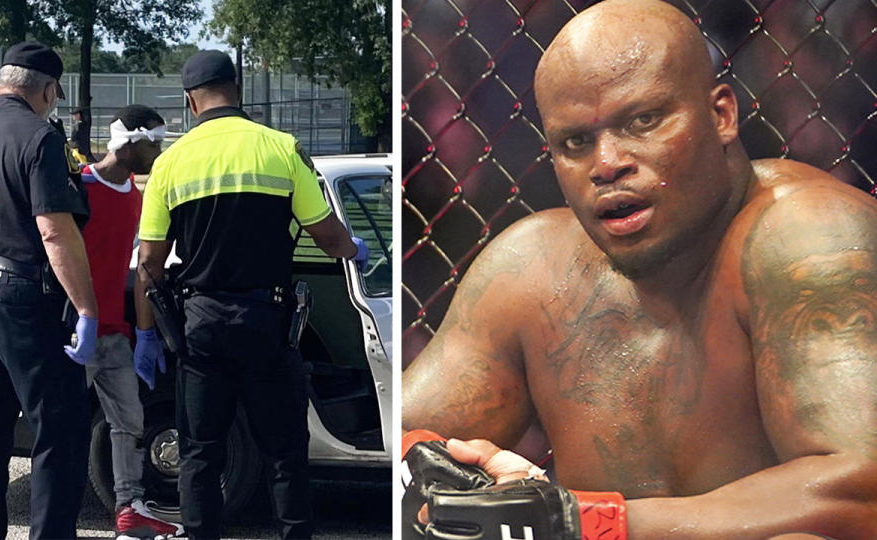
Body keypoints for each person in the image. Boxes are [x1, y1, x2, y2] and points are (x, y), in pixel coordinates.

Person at [401, 1, 877, 539]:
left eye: (643, 121)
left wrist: (580, 522)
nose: (607, 165)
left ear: (722, 115)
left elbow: (863, 492)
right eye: (576, 142)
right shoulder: (532, 271)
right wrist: (446, 479)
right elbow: (399, 438)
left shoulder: (807, 237)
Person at [132, 50, 370, 540]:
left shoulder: (171, 162)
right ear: (236, 88)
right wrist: (357, 248)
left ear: (189, 101)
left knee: (201, 450)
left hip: (199, 326)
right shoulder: (281, 148)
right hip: (268, 320)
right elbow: (328, 238)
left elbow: (151, 265)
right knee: (284, 450)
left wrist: (146, 334)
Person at [0, 42, 97, 539]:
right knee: (58, 426)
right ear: (49, 90)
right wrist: (86, 309)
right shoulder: (40, 138)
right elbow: (54, 229)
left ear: (2, 82)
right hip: (23, 291)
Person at [78, 104, 185, 540]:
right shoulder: (78, 187)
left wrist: (144, 334)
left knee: (130, 421)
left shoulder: (137, 197)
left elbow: (142, 264)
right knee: (64, 425)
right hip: (77, 332)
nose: (157, 151)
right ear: (130, 140)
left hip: (115, 334)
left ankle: (129, 509)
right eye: (153, 141)